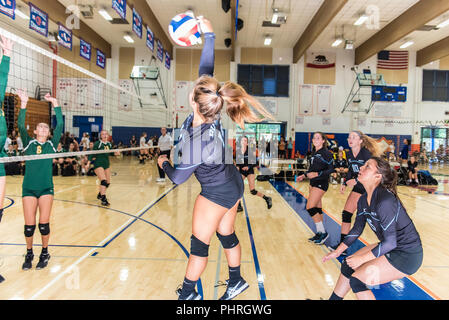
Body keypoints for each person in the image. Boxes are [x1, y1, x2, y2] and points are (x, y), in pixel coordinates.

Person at [158, 18, 273, 301]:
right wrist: (208, 35)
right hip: (232, 183)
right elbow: (205, 75)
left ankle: (188, 295)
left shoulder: (198, 139)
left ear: (194, 103)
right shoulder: (212, 108)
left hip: (217, 191)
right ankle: (236, 281)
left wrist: (162, 161)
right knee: (227, 235)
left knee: (199, 245)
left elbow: (179, 177)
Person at [323, 157, 423, 300]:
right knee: (348, 266)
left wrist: (362, 259)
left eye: (367, 166)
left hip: (407, 254)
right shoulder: (363, 199)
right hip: (391, 246)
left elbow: (390, 243)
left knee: (358, 280)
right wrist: (338, 251)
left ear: (377, 176)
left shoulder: (385, 200)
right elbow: (357, 229)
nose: (361, 168)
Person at [18, 90, 63, 271]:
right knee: (29, 227)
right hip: (28, 188)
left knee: (43, 225)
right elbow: (21, 125)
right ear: (35, 131)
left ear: (48, 132)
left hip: (46, 188)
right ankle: (29, 253)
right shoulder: (29, 143)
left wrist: (55, 103)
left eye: (46, 127)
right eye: (41, 127)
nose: (44, 128)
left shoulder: (51, 145)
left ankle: (45, 252)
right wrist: (23, 104)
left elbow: (59, 124)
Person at [331, 131, 380, 253]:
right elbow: (351, 171)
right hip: (359, 187)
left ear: (360, 141)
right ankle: (342, 247)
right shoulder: (349, 154)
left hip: (370, 187)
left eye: (354, 137)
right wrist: (345, 182)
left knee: (373, 219)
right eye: (349, 137)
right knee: (346, 214)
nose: (350, 139)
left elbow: (371, 173)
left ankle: (390, 243)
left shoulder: (366, 154)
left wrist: (356, 180)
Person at [297, 132, 334, 245]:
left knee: (310, 207)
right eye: (314, 138)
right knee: (317, 208)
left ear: (323, 141)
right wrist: (304, 175)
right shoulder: (313, 153)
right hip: (312, 183)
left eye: (318, 138)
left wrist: (318, 174)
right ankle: (319, 233)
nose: (315, 139)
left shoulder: (327, 153)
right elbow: (312, 169)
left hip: (321, 183)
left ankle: (323, 233)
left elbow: (331, 169)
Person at [235, 136, 272, 212]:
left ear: (247, 143)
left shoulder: (250, 151)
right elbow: (238, 164)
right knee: (237, 188)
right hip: (241, 172)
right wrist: (236, 170)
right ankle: (239, 205)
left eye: (245, 141)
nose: (243, 142)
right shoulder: (238, 152)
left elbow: (256, 162)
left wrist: (248, 167)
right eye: (242, 140)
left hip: (249, 171)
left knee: (252, 191)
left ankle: (267, 198)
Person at [89, 130, 118, 206]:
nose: (105, 135)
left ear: (108, 135)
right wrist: (88, 163)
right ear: (100, 136)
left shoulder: (109, 144)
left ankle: (100, 194)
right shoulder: (97, 144)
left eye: (106, 134)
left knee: (107, 183)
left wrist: (115, 153)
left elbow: (110, 152)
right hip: (98, 164)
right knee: (103, 181)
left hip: (106, 164)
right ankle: (103, 199)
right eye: (103, 134)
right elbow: (92, 154)